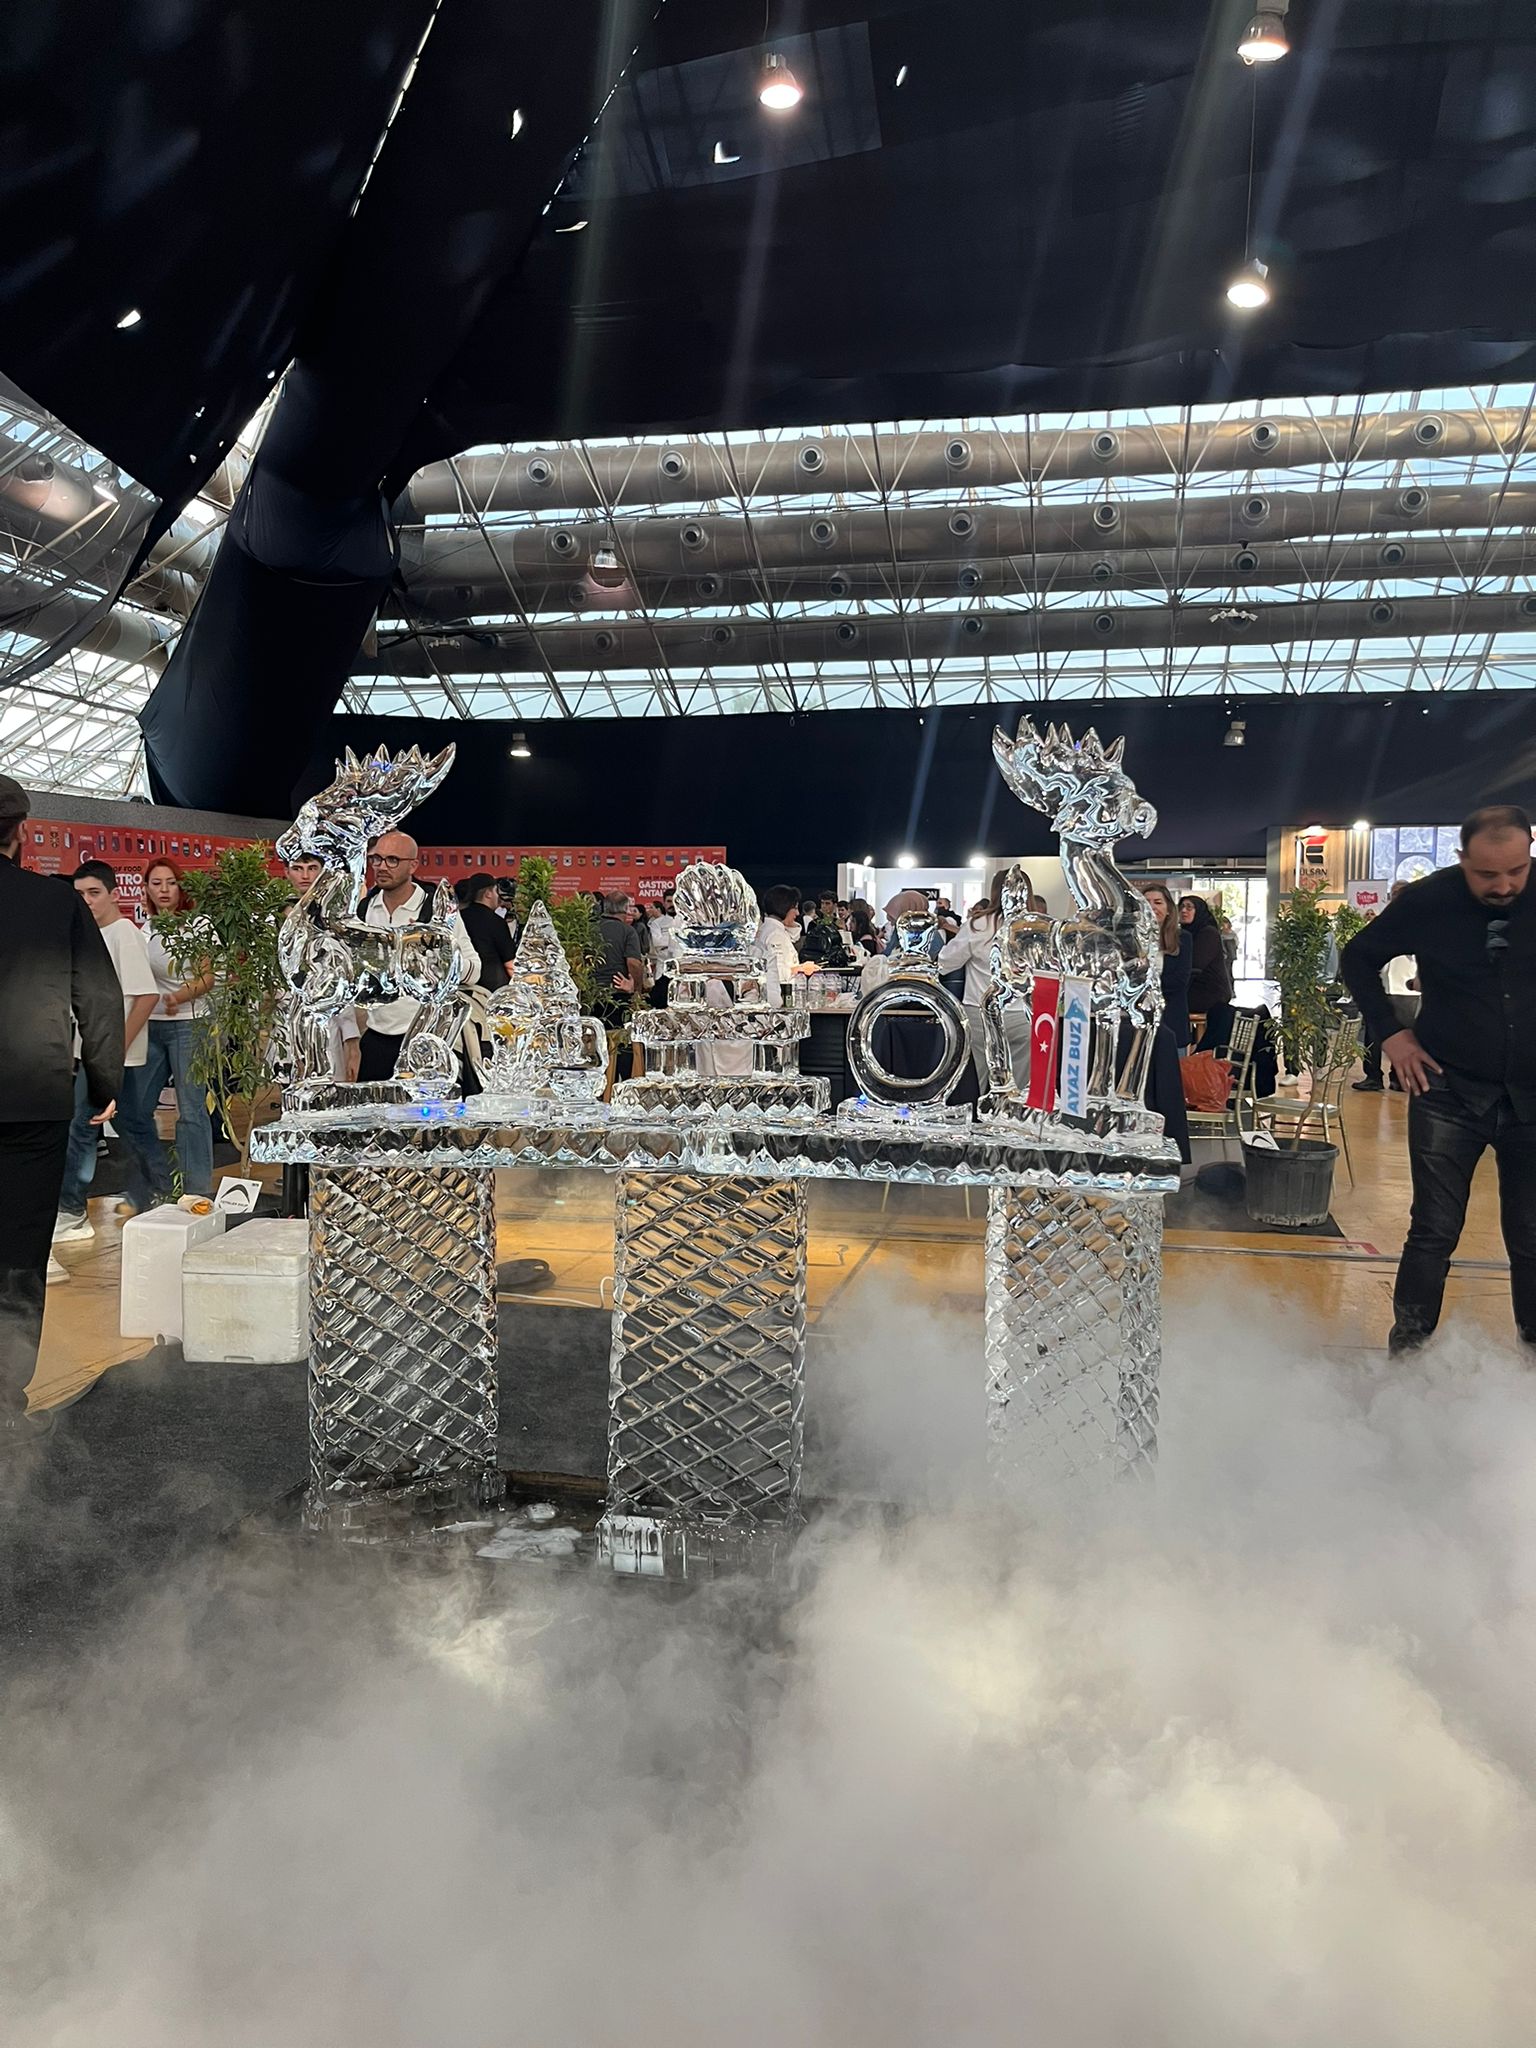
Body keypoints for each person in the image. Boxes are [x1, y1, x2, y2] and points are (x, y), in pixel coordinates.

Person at [1342, 804, 1536, 1354]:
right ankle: (1409, 1354)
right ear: (1461, 858)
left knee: (1531, 1234)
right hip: (1447, 1089)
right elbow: (1357, 958)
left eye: (1516, 871)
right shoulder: (1429, 900)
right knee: (1433, 1229)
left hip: (1533, 1093)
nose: (1504, 886)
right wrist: (1391, 1034)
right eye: (1487, 874)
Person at [0, 778, 122, 1430]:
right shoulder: (55, 902)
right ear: (20, 833)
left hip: (32, 1101)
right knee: (20, 1252)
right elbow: (97, 996)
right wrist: (104, 1082)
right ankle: (5, 1401)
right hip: (32, 1098)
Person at [53, 860, 167, 1241]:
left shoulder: (123, 934)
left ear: (114, 894)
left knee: (84, 1126)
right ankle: (156, 1190)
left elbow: (147, 996)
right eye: (80, 894)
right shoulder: (92, 935)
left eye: (94, 893)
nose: (86, 901)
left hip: (110, 1054)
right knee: (132, 1123)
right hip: (99, 1051)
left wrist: (113, 1052)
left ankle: (72, 1209)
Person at [357, 832, 480, 1081]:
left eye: (393, 860)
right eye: (376, 859)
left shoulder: (436, 910)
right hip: (375, 1039)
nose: (382, 866)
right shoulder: (364, 909)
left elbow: (475, 970)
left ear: (413, 865)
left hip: (427, 1041)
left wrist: (436, 954)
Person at [140, 859, 215, 1199]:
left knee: (191, 1108)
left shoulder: (198, 925)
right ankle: (156, 1184)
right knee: (137, 1108)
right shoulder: (144, 930)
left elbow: (207, 977)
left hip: (190, 1021)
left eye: (170, 882)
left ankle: (196, 1190)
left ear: (180, 886)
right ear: (147, 888)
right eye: (156, 883)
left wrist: (177, 998)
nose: (164, 890)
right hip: (150, 1024)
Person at [284, 852, 361, 1082]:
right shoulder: (274, 918)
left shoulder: (335, 918)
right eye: (298, 868)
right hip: (285, 1023)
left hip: (327, 1025)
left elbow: (342, 978)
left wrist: (352, 1040)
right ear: (287, 873)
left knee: (330, 1090)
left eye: (312, 868)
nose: (305, 875)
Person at [1353, 881, 1418, 1092]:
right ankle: (1372, 1076)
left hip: (1404, 989)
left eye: (1400, 894)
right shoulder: (1385, 921)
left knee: (1403, 1036)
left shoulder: (1418, 922)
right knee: (1373, 1036)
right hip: (1381, 986)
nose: (1395, 898)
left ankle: (1398, 1078)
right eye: (1393, 894)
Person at [1139, 881, 1193, 1053]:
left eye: (1158, 902)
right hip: (1139, 1020)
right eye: (1146, 903)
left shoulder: (1183, 938)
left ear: (1169, 909)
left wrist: (1145, 989)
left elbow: (1180, 980)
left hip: (1171, 1018)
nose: (1152, 907)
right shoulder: (1131, 939)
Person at [1181, 894, 1234, 1053]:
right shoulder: (1186, 932)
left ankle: (1184, 1047)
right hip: (1195, 988)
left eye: (1189, 907)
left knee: (1171, 1003)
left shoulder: (1208, 933)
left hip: (1210, 992)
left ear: (1199, 911)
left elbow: (1195, 965)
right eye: (1181, 907)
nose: (1184, 911)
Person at [454, 876, 517, 992]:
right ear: (488, 894)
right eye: (496, 891)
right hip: (493, 989)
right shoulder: (496, 921)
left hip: (462, 984)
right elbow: (510, 964)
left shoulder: (459, 917)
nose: (498, 896)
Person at [757, 885, 802, 1000]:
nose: (797, 913)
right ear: (784, 907)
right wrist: (801, 969)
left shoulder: (767, 928)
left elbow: (795, 935)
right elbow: (779, 973)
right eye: (795, 908)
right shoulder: (776, 934)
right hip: (779, 996)